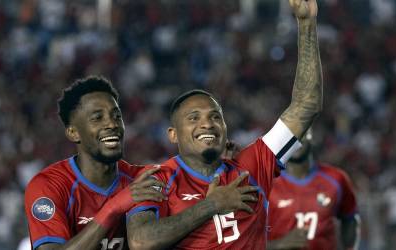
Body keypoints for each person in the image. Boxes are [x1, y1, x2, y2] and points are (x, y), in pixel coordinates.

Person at [126, 0, 323, 249]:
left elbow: (307, 106)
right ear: (173, 135)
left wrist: (306, 25)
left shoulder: (252, 165)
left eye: (215, 116)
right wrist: (212, 205)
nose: (207, 124)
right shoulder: (158, 181)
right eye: (193, 118)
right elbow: (140, 241)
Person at [24, 76, 167, 250]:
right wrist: (113, 207)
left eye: (117, 116)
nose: (112, 124)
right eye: (97, 118)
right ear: (73, 133)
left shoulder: (140, 178)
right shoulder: (48, 186)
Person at [267, 130, 360, 250]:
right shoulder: (264, 182)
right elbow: (243, 239)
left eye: (302, 133)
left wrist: (349, 248)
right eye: (289, 135)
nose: (296, 140)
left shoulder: (337, 179)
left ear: (312, 137)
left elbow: (350, 218)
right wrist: (278, 245)